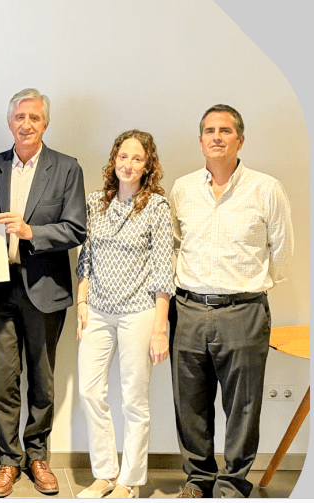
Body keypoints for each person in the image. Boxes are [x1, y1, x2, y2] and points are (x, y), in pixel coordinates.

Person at [169, 105, 294, 498]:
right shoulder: (183, 189)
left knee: (243, 404)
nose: (217, 137)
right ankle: (198, 479)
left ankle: (233, 482)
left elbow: (283, 248)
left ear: (240, 139)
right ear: (200, 141)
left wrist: (250, 286)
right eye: (209, 131)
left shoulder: (266, 188)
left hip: (244, 310)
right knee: (190, 402)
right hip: (188, 309)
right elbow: (174, 245)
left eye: (225, 130)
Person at [0, 88, 87, 497]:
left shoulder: (67, 168)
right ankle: (8, 459)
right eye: (19, 117)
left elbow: (76, 228)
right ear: (9, 123)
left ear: (45, 124)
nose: (26, 124)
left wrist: (30, 231)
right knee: (3, 380)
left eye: (34, 117)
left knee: (41, 378)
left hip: (45, 290)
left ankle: (37, 456)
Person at [74, 130, 174, 499]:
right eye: (123, 156)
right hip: (97, 311)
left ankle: (129, 481)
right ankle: (104, 474)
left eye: (137, 158)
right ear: (114, 160)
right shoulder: (95, 202)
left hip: (139, 314)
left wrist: (160, 328)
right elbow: (86, 258)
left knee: (133, 399)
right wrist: (81, 303)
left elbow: (163, 270)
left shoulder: (157, 207)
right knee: (90, 391)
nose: (128, 164)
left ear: (148, 166)